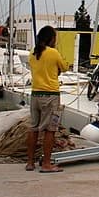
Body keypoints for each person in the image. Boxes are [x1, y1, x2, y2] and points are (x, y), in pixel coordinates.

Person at [25, 25, 70, 172]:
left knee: (33, 128)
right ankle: (46, 164)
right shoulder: (53, 53)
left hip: (35, 95)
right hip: (50, 95)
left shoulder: (32, 53)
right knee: (50, 130)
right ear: (51, 38)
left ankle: (30, 163)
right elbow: (64, 67)